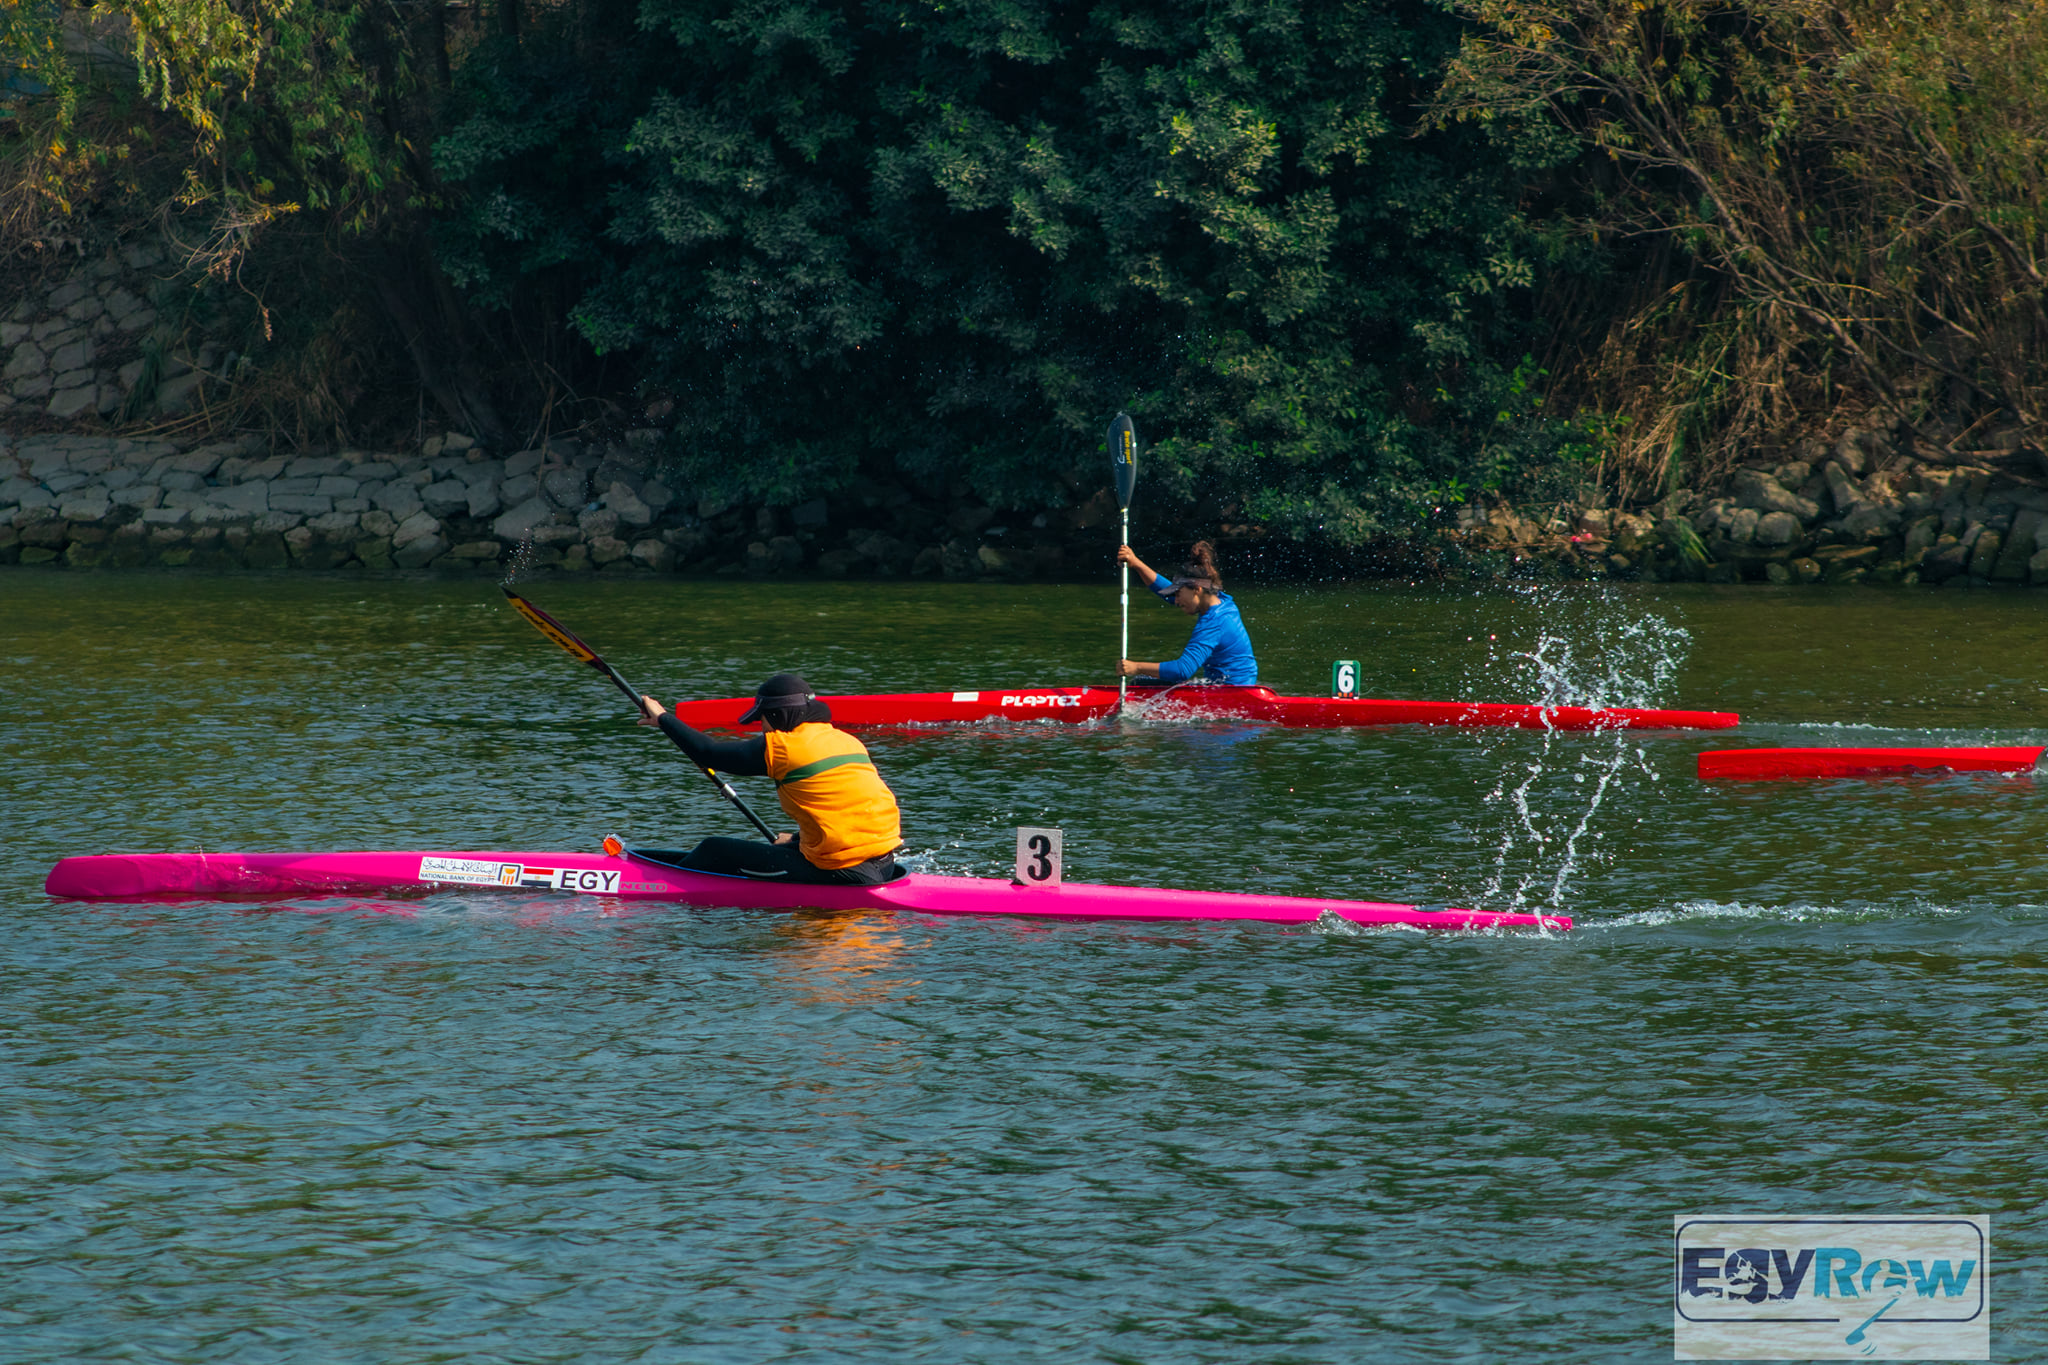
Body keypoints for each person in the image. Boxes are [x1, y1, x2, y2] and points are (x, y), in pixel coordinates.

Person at [635, 672, 904, 884]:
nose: (761, 727)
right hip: (883, 862)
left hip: (842, 872)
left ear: (777, 716)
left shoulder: (785, 747)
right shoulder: (845, 740)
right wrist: (799, 841)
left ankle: (654, 885)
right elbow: (842, 810)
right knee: (777, 848)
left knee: (714, 850)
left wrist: (663, 718)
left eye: (762, 719)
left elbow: (710, 753)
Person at [1116, 539, 1258, 685]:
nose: (1175, 601)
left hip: (1231, 693)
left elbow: (1182, 670)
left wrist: (1136, 667)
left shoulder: (1213, 623)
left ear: (1197, 589)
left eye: (1178, 594)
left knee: (1139, 683)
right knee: (1144, 682)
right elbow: (1166, 591)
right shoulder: (1221, 601)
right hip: (1227, 685)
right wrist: (1136, 563)